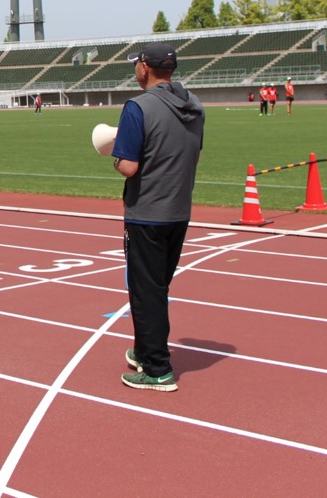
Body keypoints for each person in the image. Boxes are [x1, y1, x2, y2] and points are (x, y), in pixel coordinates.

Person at [111, 42, 205, 392]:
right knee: (157, 287)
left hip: (147, 211)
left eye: (136, 64)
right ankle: (144, 349)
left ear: (145, 68)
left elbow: (130, 165)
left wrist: (115, 155)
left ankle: (157, 369)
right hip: (179, 210)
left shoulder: (138, 107)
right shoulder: (194, 105)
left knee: (145, 291)